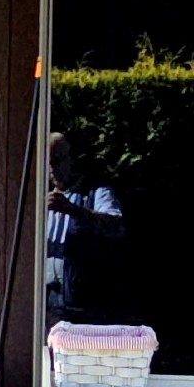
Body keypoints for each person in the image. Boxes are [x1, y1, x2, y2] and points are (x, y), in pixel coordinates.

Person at [45, 131, 124, 321]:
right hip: (48, 300)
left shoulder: (95, 192)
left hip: (83, 302)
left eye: (58, 160)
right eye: (48, 163)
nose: (52, 169)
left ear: (72, 158)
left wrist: (74, 210)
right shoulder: (41, 197)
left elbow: (116, 225)